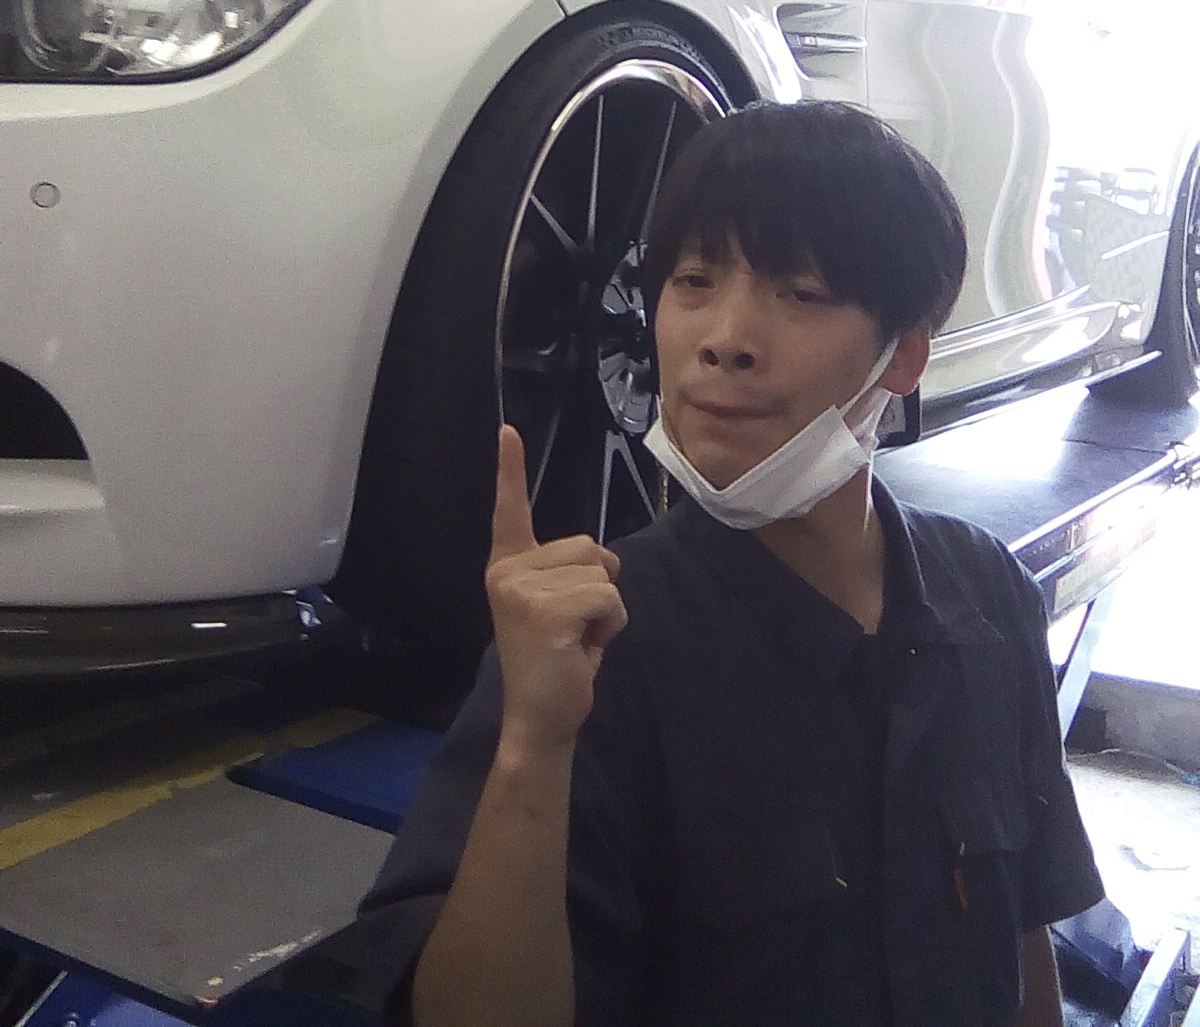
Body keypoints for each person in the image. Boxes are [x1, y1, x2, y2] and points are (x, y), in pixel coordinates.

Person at [361, 100, 1104, 1027]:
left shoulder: (989, 593)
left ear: (905, 353)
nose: (724, 338)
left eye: (801, 293)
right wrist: (533, 748)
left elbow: (1021, 934)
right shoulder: (594, 647)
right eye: (693, 281)